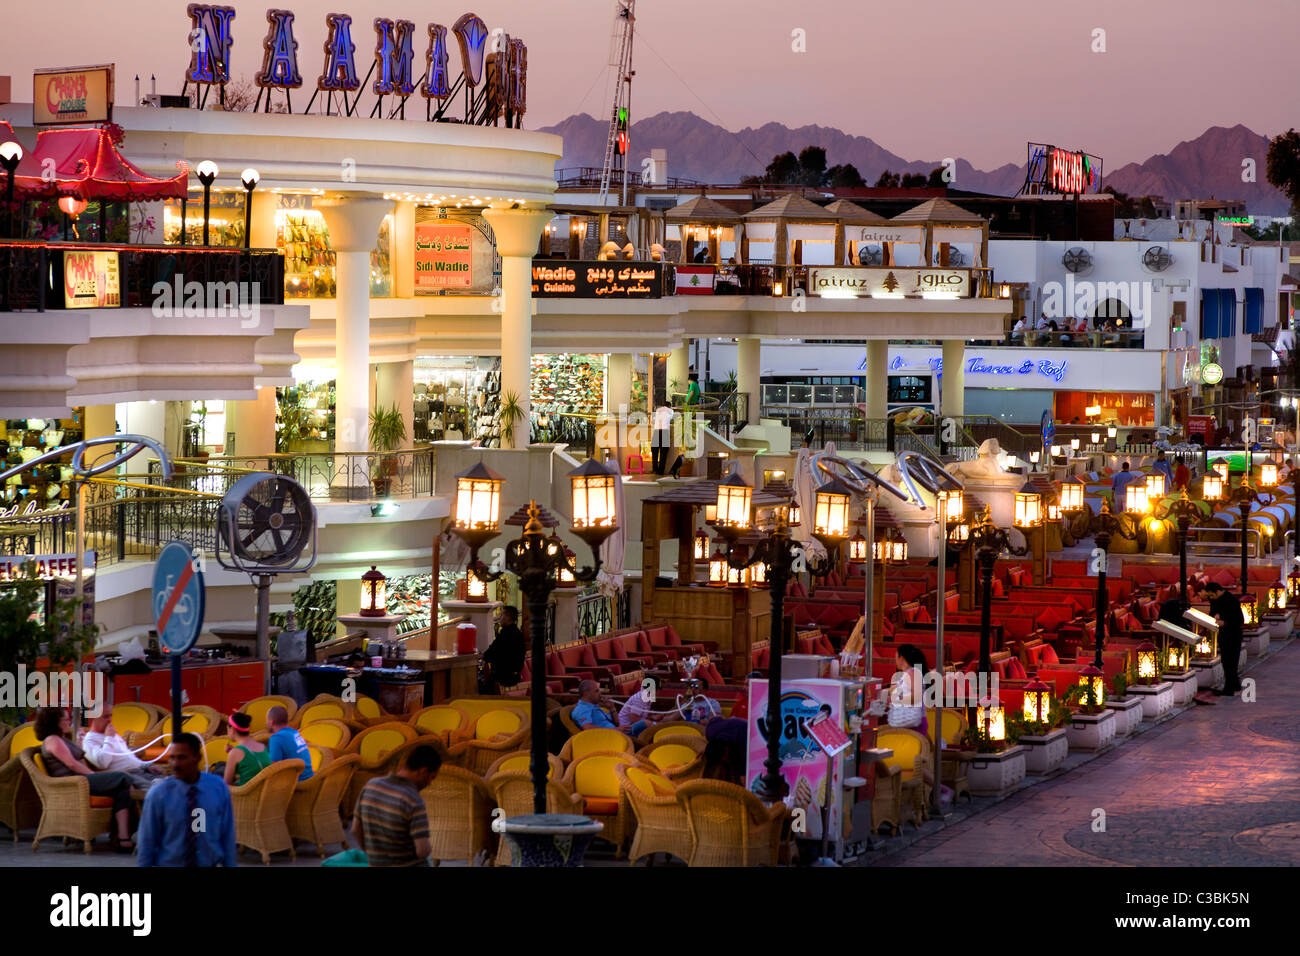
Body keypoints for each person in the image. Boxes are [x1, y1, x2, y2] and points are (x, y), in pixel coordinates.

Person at [36, 707, 136, 851]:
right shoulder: (52, 740)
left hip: (80, 780)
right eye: (65, 719)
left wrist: (79, 741)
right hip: (74, 784)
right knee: (123, 777)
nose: (68, 721)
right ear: (54, 722)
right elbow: (71, 763)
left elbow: (76, 757)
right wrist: (93, 775)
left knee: (122, 790)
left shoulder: (61, 738)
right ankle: (140, 823)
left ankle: (122, 837)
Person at [138, 732, 237, 867]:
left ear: (197, 758)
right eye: (172, 758)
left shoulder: (217, 788)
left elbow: (227, 834)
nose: (175, 764)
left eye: (182, 757)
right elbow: (147, 841)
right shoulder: (159, 795)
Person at [352, 744, 441, 867]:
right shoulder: (413, 800)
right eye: (431, 778)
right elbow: (422, 850)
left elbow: (355, 829)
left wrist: (373, 856)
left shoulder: (370, 786)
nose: (429, 784)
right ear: (423, 771)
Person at [81, 714, 163, 790]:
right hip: (127, 775)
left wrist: (146, 765)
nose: (110, 720)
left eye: (110, 715)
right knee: (160, 789)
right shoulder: (89, 741)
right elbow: (103, 762)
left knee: (170, 782)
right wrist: (109, 738)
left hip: (142, 770)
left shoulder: (114, 735)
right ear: (93, 719)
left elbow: (129, 756)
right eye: (105, 717)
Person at [1203, 581, 1244, 696]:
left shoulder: (1231, 600)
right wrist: (1215, 616)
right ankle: (1235, 684)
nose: (1211, 598)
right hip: (1222, 634)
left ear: (1218, 591)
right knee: (1226, 661)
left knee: (1231, 661)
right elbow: (1213, 612)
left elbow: (1239, 620)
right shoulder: (1215, 600)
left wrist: (1224, 622)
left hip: (1233, 634)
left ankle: (1229, 688)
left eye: (1212, 595)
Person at [886, 644, 929, 737]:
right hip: (908, 722)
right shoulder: (907, 674)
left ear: (901, 658)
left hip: (914, 722)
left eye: (896, 657)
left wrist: (896, 699)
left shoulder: (914, 673)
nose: (895, 661)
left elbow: (916, 697)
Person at [482, 605, 525, 691]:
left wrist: (483, 656)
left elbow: (490, 654)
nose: (499, 618)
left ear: (508, 617)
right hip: (516, 677)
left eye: (501, 615)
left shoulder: (505, 635)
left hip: (503, 678)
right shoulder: (518, 633)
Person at [223, 712, 272, 787]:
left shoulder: (235, 753)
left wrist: (232, 753)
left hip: (246, 795)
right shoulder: (262, 746)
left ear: (232, 729)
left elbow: (227, 784)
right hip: (265, 791)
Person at [265, 705, 314, 781]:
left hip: (296, 783)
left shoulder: (276, 738)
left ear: (272, 722)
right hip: (310, 778)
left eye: (267, 720)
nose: (266, 722)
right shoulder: (294, 732)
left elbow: (273, 769)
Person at [650, 398, 674, 475]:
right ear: (669, 406)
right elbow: (671, 419)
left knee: (655, 451)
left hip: (656, 431)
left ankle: (654, 469)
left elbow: (653, 420)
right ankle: (660, 471)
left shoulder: (658, 410)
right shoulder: (671, 411)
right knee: (663, 453)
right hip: (665, 432)